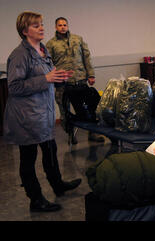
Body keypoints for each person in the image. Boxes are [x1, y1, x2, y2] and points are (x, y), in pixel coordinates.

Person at [4, 11, 82, 212]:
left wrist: (59, 77)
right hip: (26, 117)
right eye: (36, 25)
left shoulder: (42, 50)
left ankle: (57, 184)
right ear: (24, 31)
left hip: (43, 113)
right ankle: (35, 199)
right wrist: (45, 79)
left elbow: (48, 77)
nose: (41, 28)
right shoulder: (20, 55)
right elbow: (14, 87)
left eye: (41, 24)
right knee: (28, 158)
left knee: (50, 151)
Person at [46, 17, 104, 144]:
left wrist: (91, 74)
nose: (62, 27)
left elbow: (86, 57)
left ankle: (92, 133)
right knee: (65, 111)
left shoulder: (78, 39)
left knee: (90, 108)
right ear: (56, 27)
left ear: (67, 26)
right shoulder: (51, 44)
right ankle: (70, 134)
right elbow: (48, 64)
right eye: (60, 25)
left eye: (64, 25)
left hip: (80, 81)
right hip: (63, 84)